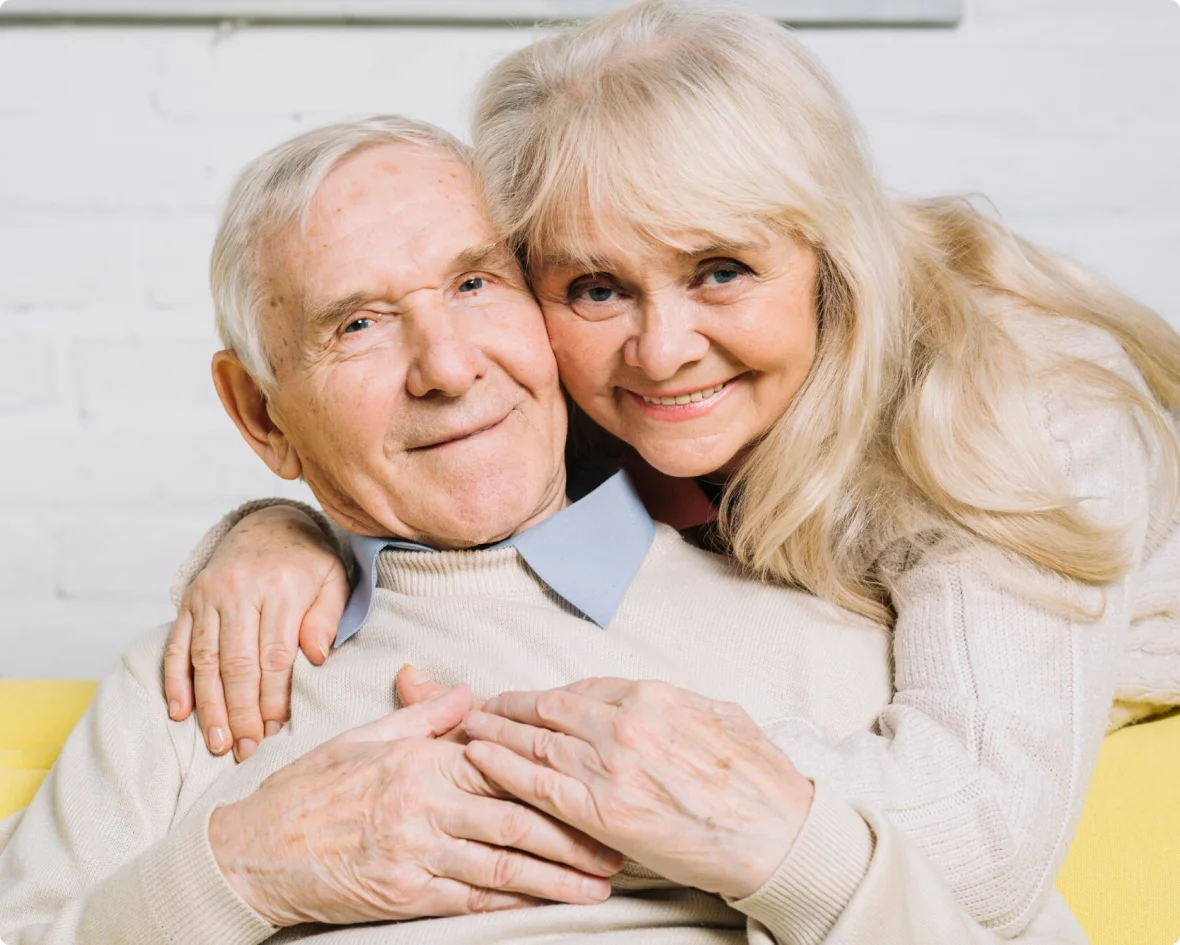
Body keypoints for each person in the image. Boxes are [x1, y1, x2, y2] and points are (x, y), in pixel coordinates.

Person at [164, 0, 1180, 939]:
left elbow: (985, 846)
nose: (661, 351)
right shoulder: (598, 383)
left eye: (720, 272)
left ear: (832, 255)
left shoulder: (1023, 409)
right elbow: (418, 438)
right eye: (598, 287)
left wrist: (562, 785)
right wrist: (280, 529)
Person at [0, 115, 1088, 945]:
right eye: (360, 324)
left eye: (476, 283)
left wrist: (793, 855)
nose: (447, 366)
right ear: (258, 413)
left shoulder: (832, 633)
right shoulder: (198, 684)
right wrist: (233, 872)